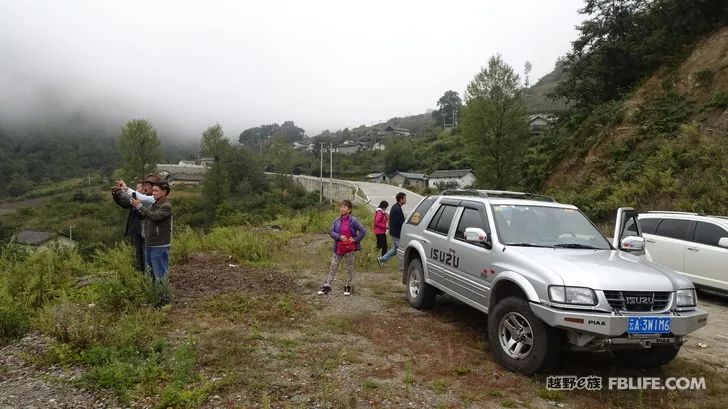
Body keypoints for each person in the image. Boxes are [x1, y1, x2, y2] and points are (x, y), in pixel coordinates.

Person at [111, 175, 159, 272]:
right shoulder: (147, 197)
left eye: (147, 185)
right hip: (139, 231)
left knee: (146, 257)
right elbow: (126, 202)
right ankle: (142, 277)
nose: (145, 187)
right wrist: (118, 195)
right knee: (138, 256)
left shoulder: (153, 199)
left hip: (149, 234)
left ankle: (148, 279)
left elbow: (138, 198)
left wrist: (124, 190)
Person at [318, 200, 366, 296]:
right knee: (333, 266)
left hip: (349, 248)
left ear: (349, 209)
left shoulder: (354, 220)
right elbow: (331, 232)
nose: (342, 209)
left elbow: (363, 231)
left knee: (349, 267)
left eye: (344, 207)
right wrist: (339, 236)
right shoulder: (336, 220)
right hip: (338, 247)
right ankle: (327, 286)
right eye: (341, 207)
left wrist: (355, 239)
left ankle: (347, 286)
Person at [132, 181, 173, 283]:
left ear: (164, 192)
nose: (153, 193)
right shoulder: (154, 205)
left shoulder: (166, 206)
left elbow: (154, 217)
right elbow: (147, 215)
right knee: (150, 275)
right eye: (153, 190)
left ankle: (164, 297)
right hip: (150, 244)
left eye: (156, 190)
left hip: (159, 246)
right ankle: (155, 297)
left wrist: (140, 207)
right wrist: (136, 207)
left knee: (160, 275)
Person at [377, 192, 406, 267]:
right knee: (401, 250)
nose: (406, 200)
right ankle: (401, 266)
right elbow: (397, 222)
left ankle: (382, 259)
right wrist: (405, 224)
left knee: (395, 250)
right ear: (401, 199)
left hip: (394, 232)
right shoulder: (397, 209)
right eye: (405, 198)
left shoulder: (395, 207)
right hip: (396, 233)